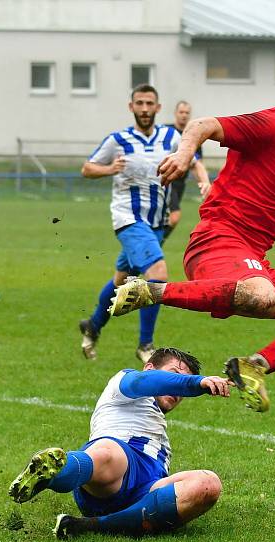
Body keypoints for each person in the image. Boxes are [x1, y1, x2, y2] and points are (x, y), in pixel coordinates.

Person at [108, 67, 275, 413]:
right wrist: (185, 154)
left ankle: (253, 367)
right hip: (216, 241)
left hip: (253, 259)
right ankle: (150, 290)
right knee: (262, 294)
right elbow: (203, 125)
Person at [8, 347, 228, 538]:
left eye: (181, 385)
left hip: (144, 493)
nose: (177, 390)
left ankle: (91, 526)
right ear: (149, 368)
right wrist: (196, 383)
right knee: (108, 452)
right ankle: (53, 473)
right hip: (110, 476)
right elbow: (148, 382)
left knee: (208, 483)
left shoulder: (158, 427)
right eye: (174, 375)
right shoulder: (125, 383)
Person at [79, 85, 210, 363]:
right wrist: (109, 169)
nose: (145, 108)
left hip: (157, 222)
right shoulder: (118, 140)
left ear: (158, 108)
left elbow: (194, 159)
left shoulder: (170, 135)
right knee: (158, 274)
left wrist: (204, 181)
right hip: (128, 219)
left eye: (150, 103)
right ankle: (145, 345)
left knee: (121, 281)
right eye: (139, 103)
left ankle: (93, 326)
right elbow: (87, 168)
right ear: (131, 107)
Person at [163, 101, 211, 240]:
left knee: (165, 219)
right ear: (175, 114)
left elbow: (198, 164)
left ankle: (152, 248)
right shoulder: (167, 132)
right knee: (174, 216)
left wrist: (204, 183)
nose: (184, 115)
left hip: (180, 184)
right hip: (166, 181)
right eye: (181, 112)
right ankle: (154, 249)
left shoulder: (194, 137)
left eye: (186, 113)